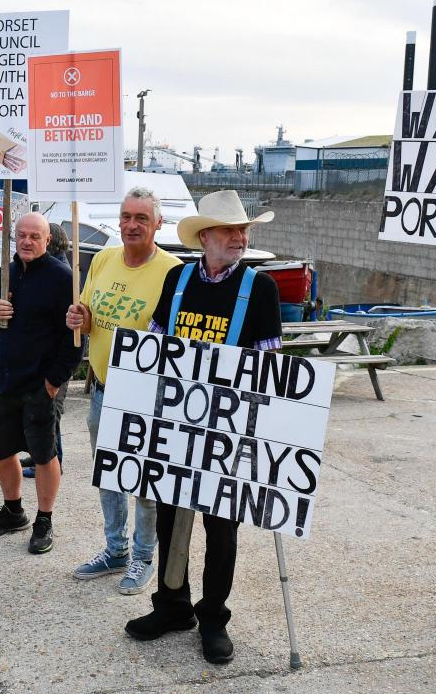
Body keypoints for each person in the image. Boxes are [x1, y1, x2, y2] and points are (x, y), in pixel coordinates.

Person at [123, 189, 282, 665]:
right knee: (170, 516)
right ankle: (172, 606)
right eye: (230, 230)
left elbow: (269, 363)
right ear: (205, 236)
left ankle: (213, 617)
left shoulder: (261, 288)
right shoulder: (176, 279)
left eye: (243, 231)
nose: (239, 238)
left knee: (221, 526)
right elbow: (155, 343)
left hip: (229, 429)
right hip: (176, 422)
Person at [64, 188, 182, 594]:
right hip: (100, 386)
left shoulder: (174, 272)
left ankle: (143, 557)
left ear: (158, 224)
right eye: (126, 216)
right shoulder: (102, 258)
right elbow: (88, 315)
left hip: (146, 395)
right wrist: (80, 315)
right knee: (109, 475)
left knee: (144, 480)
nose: (132, 225)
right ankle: (114, 550)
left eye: (142, 219)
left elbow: (179, 340)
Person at [0, 212, 83, 554]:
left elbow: (74, 343)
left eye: (34, 236)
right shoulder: (3, 274)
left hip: (42, 385)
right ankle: (13, 510)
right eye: (21, 235)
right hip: (5, 380)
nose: (26, 241)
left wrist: (52, 386)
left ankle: (44, 520)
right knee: (1, 449)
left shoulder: (62, 279)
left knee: (43, 454)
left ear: (46, 240)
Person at [22, 222, 72, 478]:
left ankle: (56, 460)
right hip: (44, 365)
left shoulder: (61, 274)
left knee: (52, 414)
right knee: (44, 415)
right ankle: (40, 454)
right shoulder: (58, 265)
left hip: (53, 365)